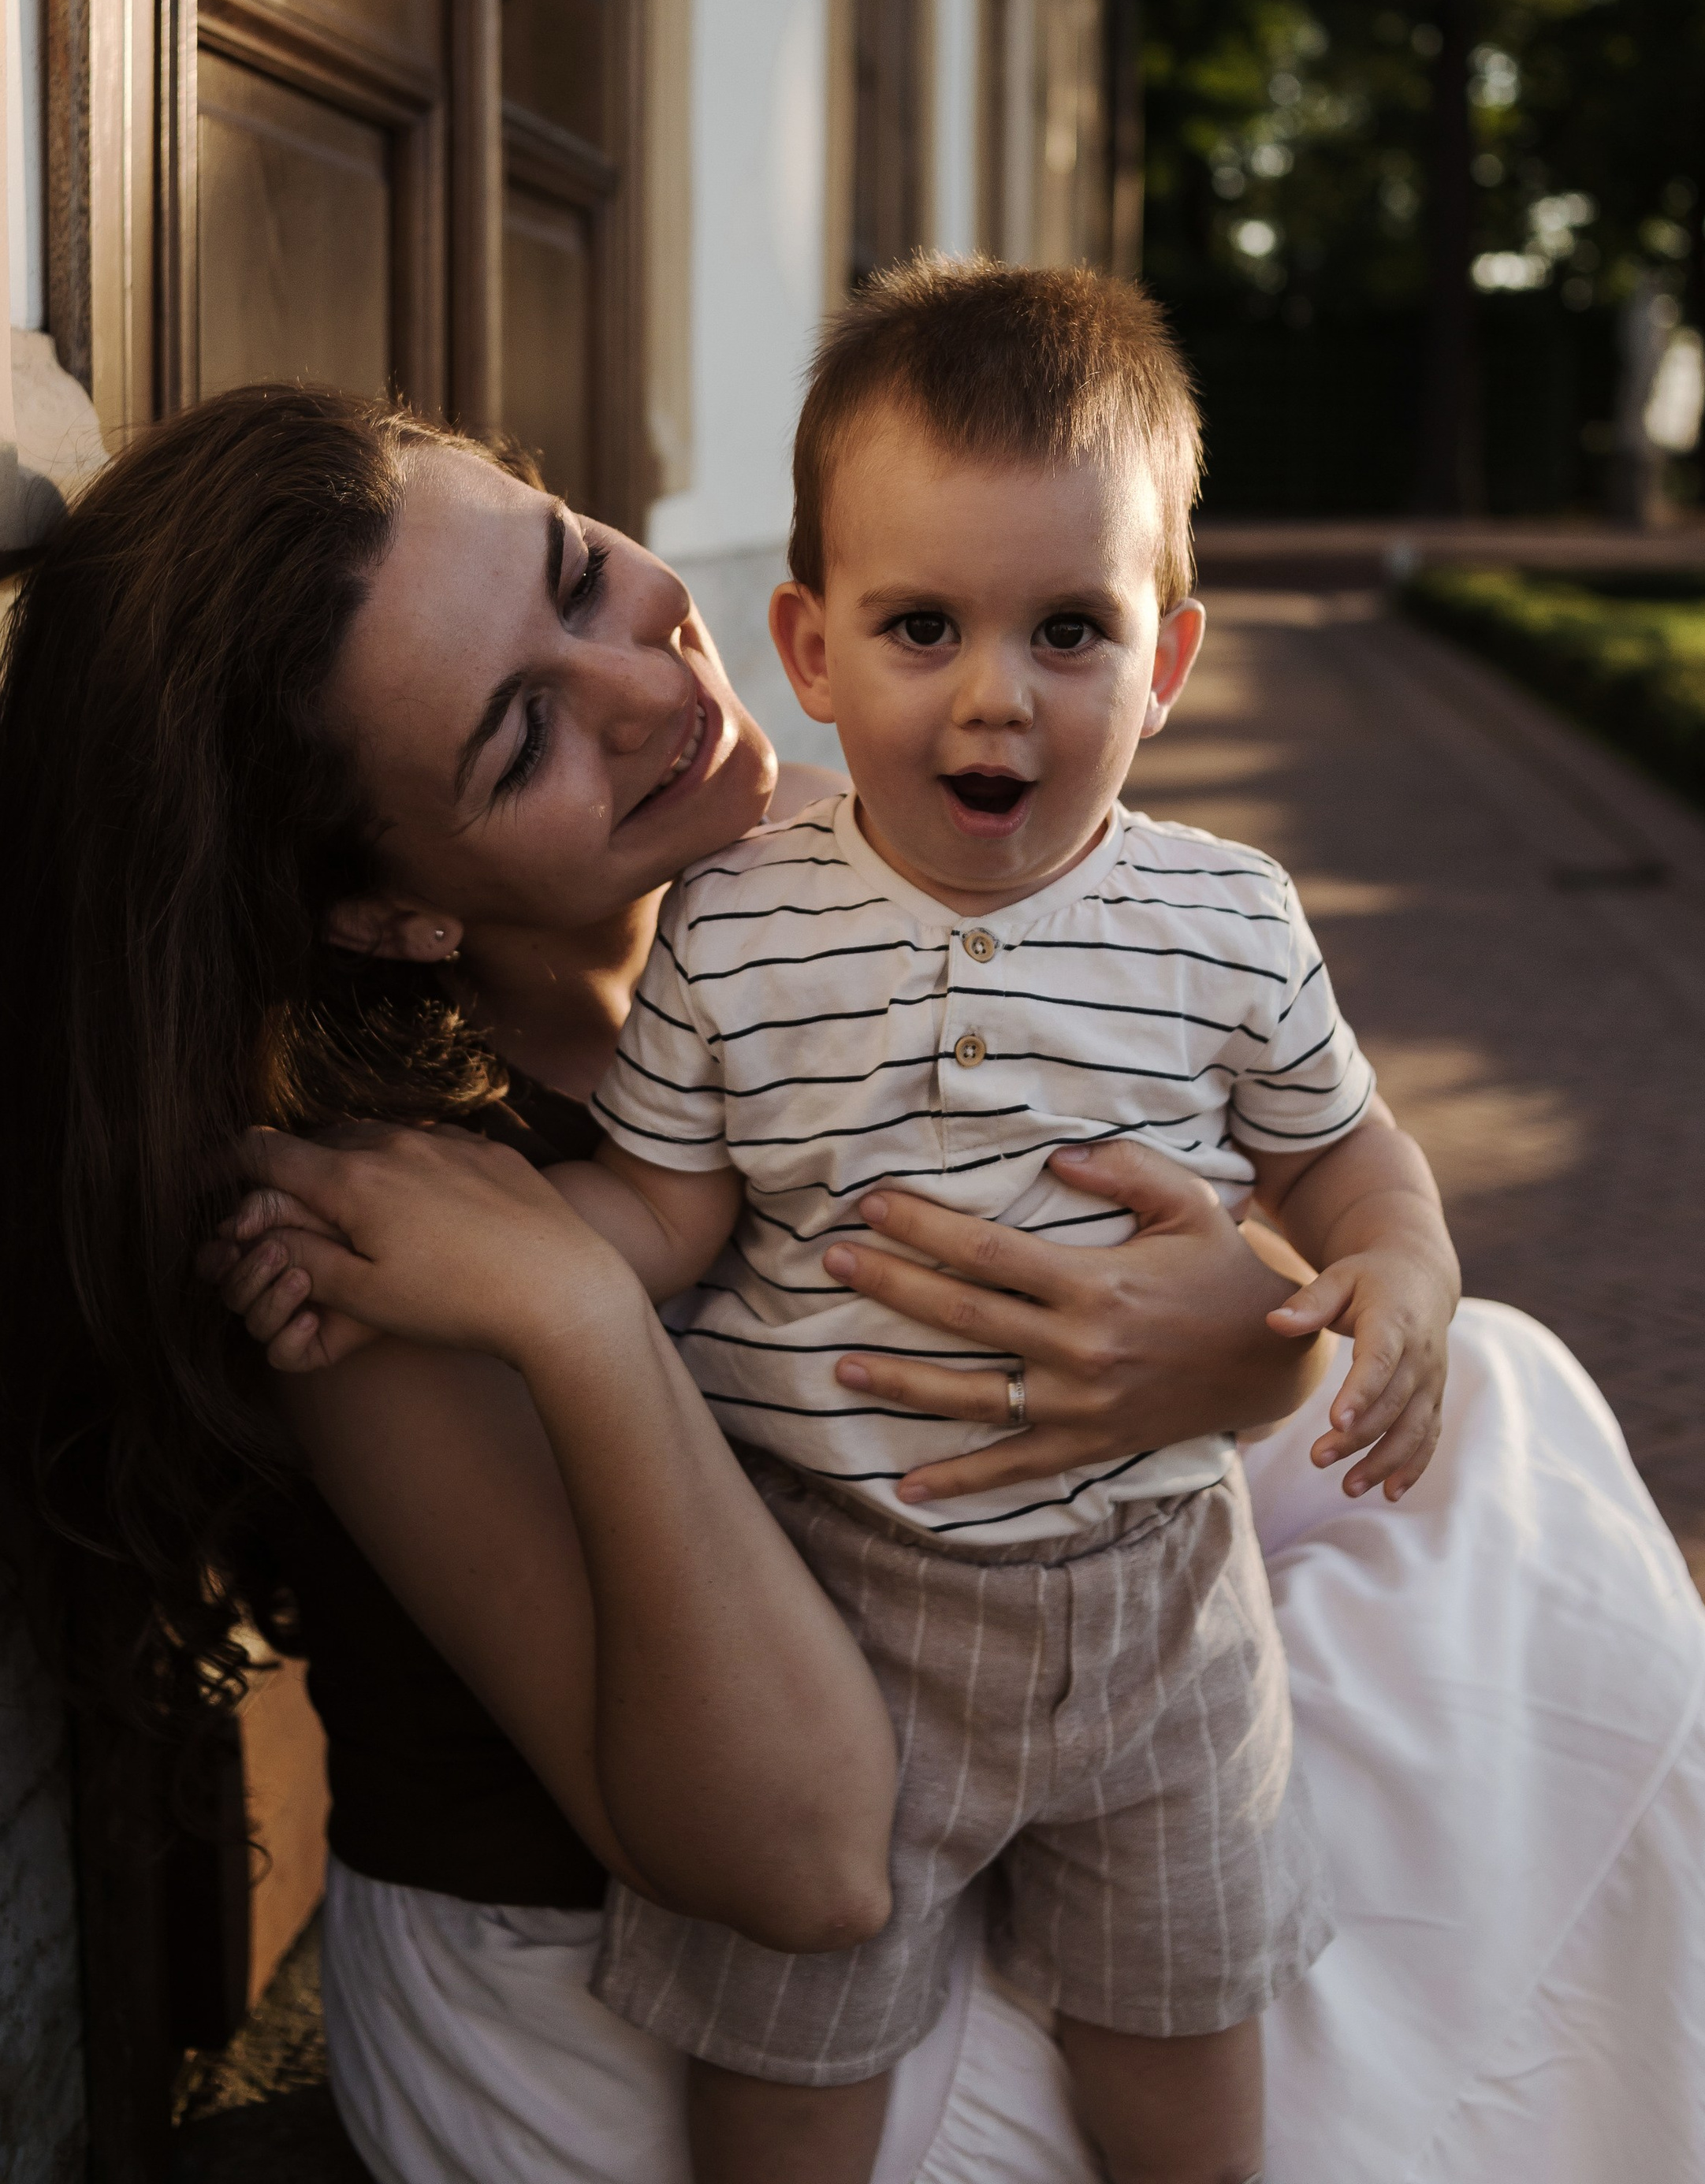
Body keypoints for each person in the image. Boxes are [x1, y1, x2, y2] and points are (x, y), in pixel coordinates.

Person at [0, 384, 1705, 2184]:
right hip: (649, 2017)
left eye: (574, 569)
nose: (646, 682)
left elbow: (1204, 1216)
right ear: (392, 909)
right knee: (1513, 1717)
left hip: (957, 1758)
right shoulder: (384, 1242)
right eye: (520, 734)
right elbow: (797, 1868)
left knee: (1499, 1427)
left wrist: (1237, 1359)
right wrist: (573, 1315)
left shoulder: (803, 870)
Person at [516, 260, 1460, 2184]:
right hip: (827, 1588)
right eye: (922, 623)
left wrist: (1401, 1271)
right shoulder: (741, 923)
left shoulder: (1225, 919)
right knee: (786, 2038)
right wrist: (503, 1240)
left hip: (1158, 1602)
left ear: (1164, 662)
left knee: (1181, 2020)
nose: (991, 696)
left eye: (1067, 632)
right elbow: (661, 1213)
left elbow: (1345, 1156)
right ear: (812, 640)